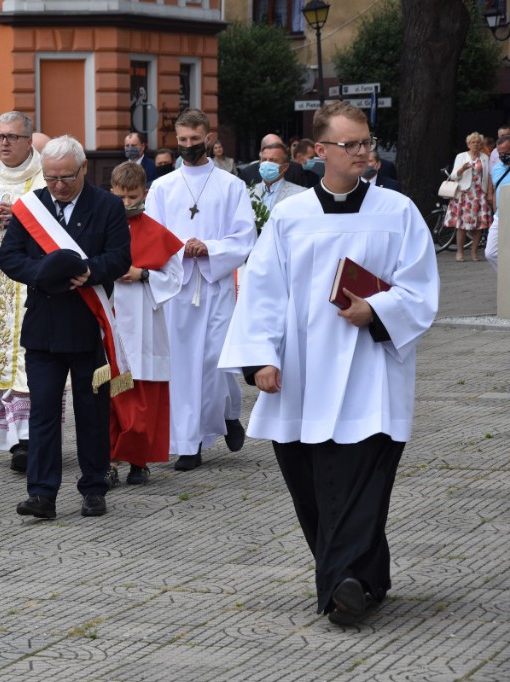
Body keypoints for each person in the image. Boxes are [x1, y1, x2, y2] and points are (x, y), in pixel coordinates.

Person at [218, 101, 439, 626]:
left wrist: (376, 309)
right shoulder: (292, 217)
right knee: (311, 484)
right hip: (303, 375)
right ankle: (367, 576)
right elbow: (263, 291)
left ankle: (343, 587)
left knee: (364, 483)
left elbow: (422, 288)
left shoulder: (397, 211)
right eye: (351, 144)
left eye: (367, 142)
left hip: (372, 373)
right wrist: (259, 359)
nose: (364, 151)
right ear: (320, 152)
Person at [0, 135, 132, 518]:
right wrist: (45, 275)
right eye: (51, 177)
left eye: (65, 178)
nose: (57, 185)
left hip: (89, 325)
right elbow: (10, 257)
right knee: (42, 413)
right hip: (44, 326)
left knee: (91, 411)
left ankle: (93, 487)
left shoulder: (106, 206)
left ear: (84, 169)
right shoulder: (31, 207)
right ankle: (42, 493)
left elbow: (120, 258)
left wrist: (90, 273)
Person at [146, 108, 256, 471]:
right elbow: (151, 236)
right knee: (183, 366)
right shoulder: (162, 187)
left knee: (213, 361)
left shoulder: (231, 185)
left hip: (215, 284)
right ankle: (189, 443)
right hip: (177, 288)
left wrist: (209, 247)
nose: (189, 146)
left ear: (208, 138)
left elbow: (244, 236)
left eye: (195, 140)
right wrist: (182, 248)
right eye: (182, 141)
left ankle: (227, 413)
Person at [0, 111, 47, 472]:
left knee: (31, 358)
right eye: (0, 136)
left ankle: (33, 437)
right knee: (4, 356)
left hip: (34, 285)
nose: (3, 143)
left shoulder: (46, 178)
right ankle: (16, 439)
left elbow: (57, 225)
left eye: (12, 137)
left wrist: (22, 220)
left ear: (28, 141)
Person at [107, 162, 183, 484]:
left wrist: (144, 274)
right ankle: (106, 462)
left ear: (145, 194)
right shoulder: (100, 228)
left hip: (143, 324)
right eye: (120, 196)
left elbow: (176, 278)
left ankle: (139, 461)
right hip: (108, 324)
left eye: (133, 197)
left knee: (142, 401)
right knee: (108, 399)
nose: (126, 203)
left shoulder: (156, 232)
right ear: (111, 192)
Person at [445, 131, 491, 262]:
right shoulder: (461, 156)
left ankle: (474, 252)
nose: (475, 144)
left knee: (479, 225)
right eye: (473, 142)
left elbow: (487, 176)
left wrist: (488, 193)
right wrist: (461, 170)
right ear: (468, 144)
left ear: (481, 144)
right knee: (462, 225)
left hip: (479, 194)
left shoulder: (484, 158)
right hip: (464, 194)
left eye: (478, 142)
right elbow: (453, 176)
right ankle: (459, 252)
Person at [251, 143, 305, 211]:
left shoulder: (301, 194)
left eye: (272, 160)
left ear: (285, 167)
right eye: (264, 160)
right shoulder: (247, 192)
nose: (266, 164)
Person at [484, 134, 510, 270]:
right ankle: (506, 280)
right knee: (490, 253)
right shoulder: (497, 169)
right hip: (500, 216)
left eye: (507, 152)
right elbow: (495, 190)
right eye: (501, 153)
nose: (503, 156)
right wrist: (495, 210)